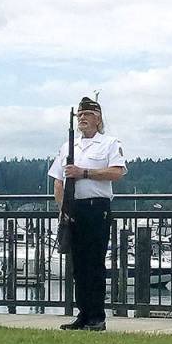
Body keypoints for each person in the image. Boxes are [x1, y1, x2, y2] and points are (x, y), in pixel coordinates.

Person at [48, 96, 127, 331]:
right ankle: (83, 313)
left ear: (98, 118)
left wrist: (84, 173)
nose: (82, 118)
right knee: (78, 265)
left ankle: (97, 316)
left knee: (94, 263)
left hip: (96, 207)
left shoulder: (110, 143)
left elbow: (116, 172)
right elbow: (58, 180)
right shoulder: (68, 147)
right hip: (74, 208)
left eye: (87, 114)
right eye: (79, 115)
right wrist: (63, 208)